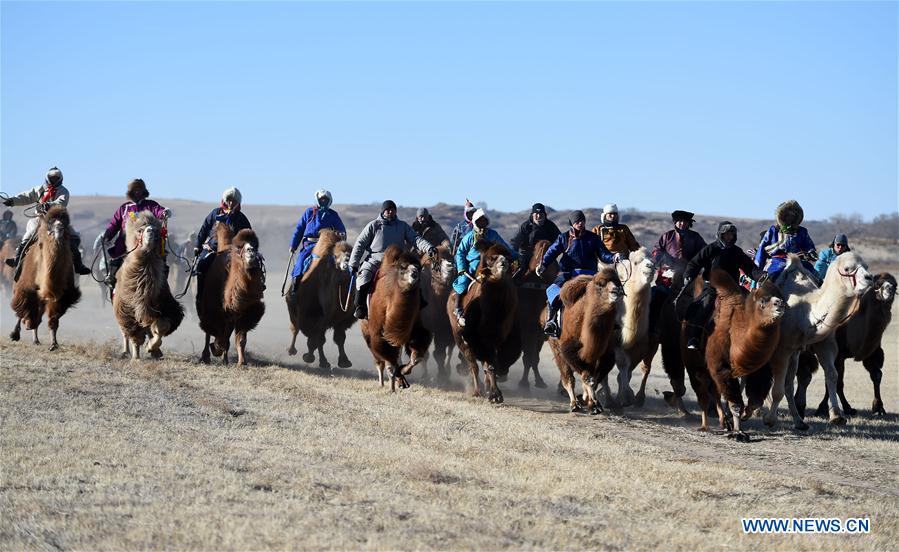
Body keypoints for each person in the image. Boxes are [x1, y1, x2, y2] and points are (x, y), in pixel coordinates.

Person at [682, 221, 768, 350]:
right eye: (726, 234)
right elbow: (694, 263)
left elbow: (750, 268)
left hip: (733, 288)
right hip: (713, 287)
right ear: (720, 234)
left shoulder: (737, 251)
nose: (729, 237)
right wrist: (688, 274)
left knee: (751, 304)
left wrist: (761, 276)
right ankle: (695, 337)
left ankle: (754, 339)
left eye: (731, 234)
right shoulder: (711, 249)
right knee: (705, 306)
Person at [349, 200, 436, 320]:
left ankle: (419, 302)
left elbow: (415, 239)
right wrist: (354, 263)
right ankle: (360, 306)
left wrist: (429, 248)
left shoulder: (402, 226)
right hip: (375, 259)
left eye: (392, 209)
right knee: (364, 276)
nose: (390, 211)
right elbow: (360, 244)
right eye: (387, 209)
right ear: (383, 211)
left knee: (414, 273)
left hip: (397, 261)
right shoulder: (373, 225)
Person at [537, 210, 617, 338]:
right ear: (572, 223)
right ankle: (552, 321)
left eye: (582, 221)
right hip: (567, 274)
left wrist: (613, 257)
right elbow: (552, 252)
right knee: (553, 290)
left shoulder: (593, 238)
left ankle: (613, 322)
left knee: (611, 292)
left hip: (590, 275)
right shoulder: (563, 238)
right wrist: (543, 265)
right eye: (577, 221)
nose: (580, 223)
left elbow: (603, 254)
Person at [3, 166, 91, 275]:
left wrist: (49, 205)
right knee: (30, 233)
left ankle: (78, 265)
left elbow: (61, 202)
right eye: (52, 178)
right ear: (47, 178)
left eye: (56, 178)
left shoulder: (64, 191)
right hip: (40, 218)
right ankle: (17, 259)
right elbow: (26, 196)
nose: (54, 180)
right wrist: (12, 201)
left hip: (57, 219)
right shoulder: (39, 189)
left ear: (60, 179)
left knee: (73, 235)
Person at [96, 178, 172, 293]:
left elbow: (158, 211)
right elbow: (114, 224)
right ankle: (112, 280)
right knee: (116, 259)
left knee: (161, 260)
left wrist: (164, 212)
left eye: (140, 189)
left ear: (143, 191)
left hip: (148, 243)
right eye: (135, 189)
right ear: (131, 191)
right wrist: (107, 236)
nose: (138, 192)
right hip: (126, 242)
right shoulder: (124, 208)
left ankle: (162, 285)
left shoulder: (150, 205)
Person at [451, 208, 518, 326]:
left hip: (490, 265)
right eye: (479, 221)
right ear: (475, 222)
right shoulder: (469, 237)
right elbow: (460, 252)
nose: (482, 224)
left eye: (484, 221)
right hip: (472, 266)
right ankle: (458, 308)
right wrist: (462, 269)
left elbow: (504, 247)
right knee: (463, 281)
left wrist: (516, 256)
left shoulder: (492, 234)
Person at [649, 210, 707, 334]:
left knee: (700, 300)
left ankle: (697, 331)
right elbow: (656, 251)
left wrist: (694, 264)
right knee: (656, 297)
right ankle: (653, 327)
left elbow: (704, 253)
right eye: (679, 221)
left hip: (689, 277)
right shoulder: (667, 236)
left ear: (689, 223)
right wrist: (664, 259)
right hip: (667, 276)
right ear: (675, 222)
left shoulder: (695, 237)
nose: (682, 224)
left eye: (684, 222)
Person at [194, 187, 252, 298]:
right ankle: (200, 297)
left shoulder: (240, 218)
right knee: (201, 266)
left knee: (248, 268)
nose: (230, 203)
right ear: (225, 200)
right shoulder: (215, 213)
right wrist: (197, 245)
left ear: (237, 202)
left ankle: (247, 296)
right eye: (229, 199)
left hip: (234, 252)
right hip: (213, 249)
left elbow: (248, 235)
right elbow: (204, 229)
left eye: (234, 200)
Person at [288, 189, 346, 293]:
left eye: (325, 199)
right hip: (309, 245)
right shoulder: (309, 212)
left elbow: (341, 230)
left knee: (340, 264)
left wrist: (340, 234)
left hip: (327, 246)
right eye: (321, 199)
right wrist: (293, 245)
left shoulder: (333, 215)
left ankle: (343, 291)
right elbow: (299, 229)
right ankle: (295, 289)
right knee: (301, 262)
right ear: (317, 200)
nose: (323, 201)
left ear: (330, 201)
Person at [755, 199, 817, 282]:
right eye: (788, 215)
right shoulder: (773, 230)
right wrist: (757, 269)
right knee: (773, 275)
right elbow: (762, 248)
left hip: (798, 261)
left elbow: (809, 246)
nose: (791, 217)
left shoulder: (802, 231)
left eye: (793, 215)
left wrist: (810, 253)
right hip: (778, 260)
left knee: (814, 274)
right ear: (782, 216)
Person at [510, 202, 561, 275]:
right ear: (532, 215)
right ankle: (515, 283)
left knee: (558, 271)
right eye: (536, 214)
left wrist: (553, 251)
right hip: (527, 254)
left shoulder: (550, 226)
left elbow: (560, 240)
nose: (539, 216)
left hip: (546, 254)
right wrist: (514, 256)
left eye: (541, 214)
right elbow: (515, 242)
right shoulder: (525, 226)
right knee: (519, 270)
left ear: (545, 215)